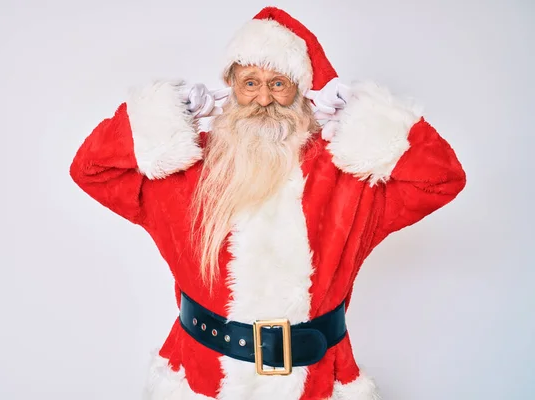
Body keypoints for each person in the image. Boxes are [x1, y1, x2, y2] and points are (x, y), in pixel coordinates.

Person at [69, 6, 466, 400]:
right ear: (230, 87)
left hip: (316, 383)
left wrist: (369, 117)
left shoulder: (346, 176)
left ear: (303, 93)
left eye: (278, 84)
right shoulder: (188, 170)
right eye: (250, 83)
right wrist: (164, 119)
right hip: (202, 380)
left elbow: (442, 179)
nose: (263, 98)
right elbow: (91, 170)